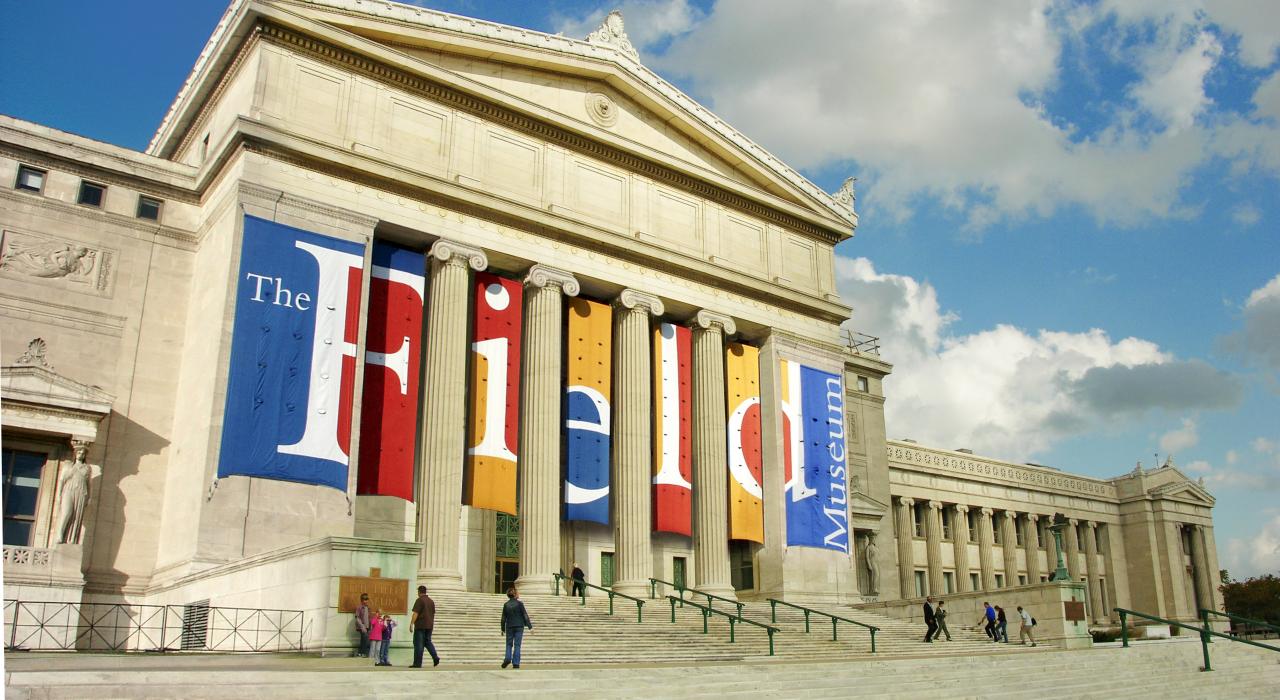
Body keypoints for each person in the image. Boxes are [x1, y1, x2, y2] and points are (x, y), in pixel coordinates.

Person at [500, 587, 533, 669]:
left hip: (509, 626)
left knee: (509, 644)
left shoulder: (506, 604)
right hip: (519, 626)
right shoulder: (520, 604)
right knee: (517, 645)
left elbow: (503, 618)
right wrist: (530, 627)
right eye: (517, 593)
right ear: (515, 594)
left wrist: (502, 629)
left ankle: (507, 658)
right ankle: (516, 663)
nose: (519, 594)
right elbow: (525, 615)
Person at [410, 585, 440, 668]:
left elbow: (416, 613)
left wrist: (411, 624)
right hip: (429, 626)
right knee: (428, 642)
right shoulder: (431, 601)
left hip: (420, 625)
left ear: (419, 592)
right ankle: (435, 657)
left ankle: (417, 663)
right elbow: (433, 613)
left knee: (419, 644)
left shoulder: (419, 600)